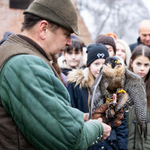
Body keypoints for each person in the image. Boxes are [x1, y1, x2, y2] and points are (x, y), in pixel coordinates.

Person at [0, 0, 111, 149]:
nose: (69, 42)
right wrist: (97, 128)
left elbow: (44, 113)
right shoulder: (26, 65)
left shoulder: (17, 55)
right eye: (66, 34)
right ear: (43, 28)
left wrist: (83, 117)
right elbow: (69, 140)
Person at [67, 43, 128, 150]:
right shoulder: (76, 86)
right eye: (96, 64)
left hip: (109, 145)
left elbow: (121, 122)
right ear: (89, 65)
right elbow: (71, 116)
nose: (100, 68)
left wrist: (122, 147)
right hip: (86, 143)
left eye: (104, 64)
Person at [127, 44, 150, 150]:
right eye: (138, 63)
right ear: (131, 62)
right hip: (126, 144)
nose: (142, 68)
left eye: (146, 65)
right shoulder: (121, 86)